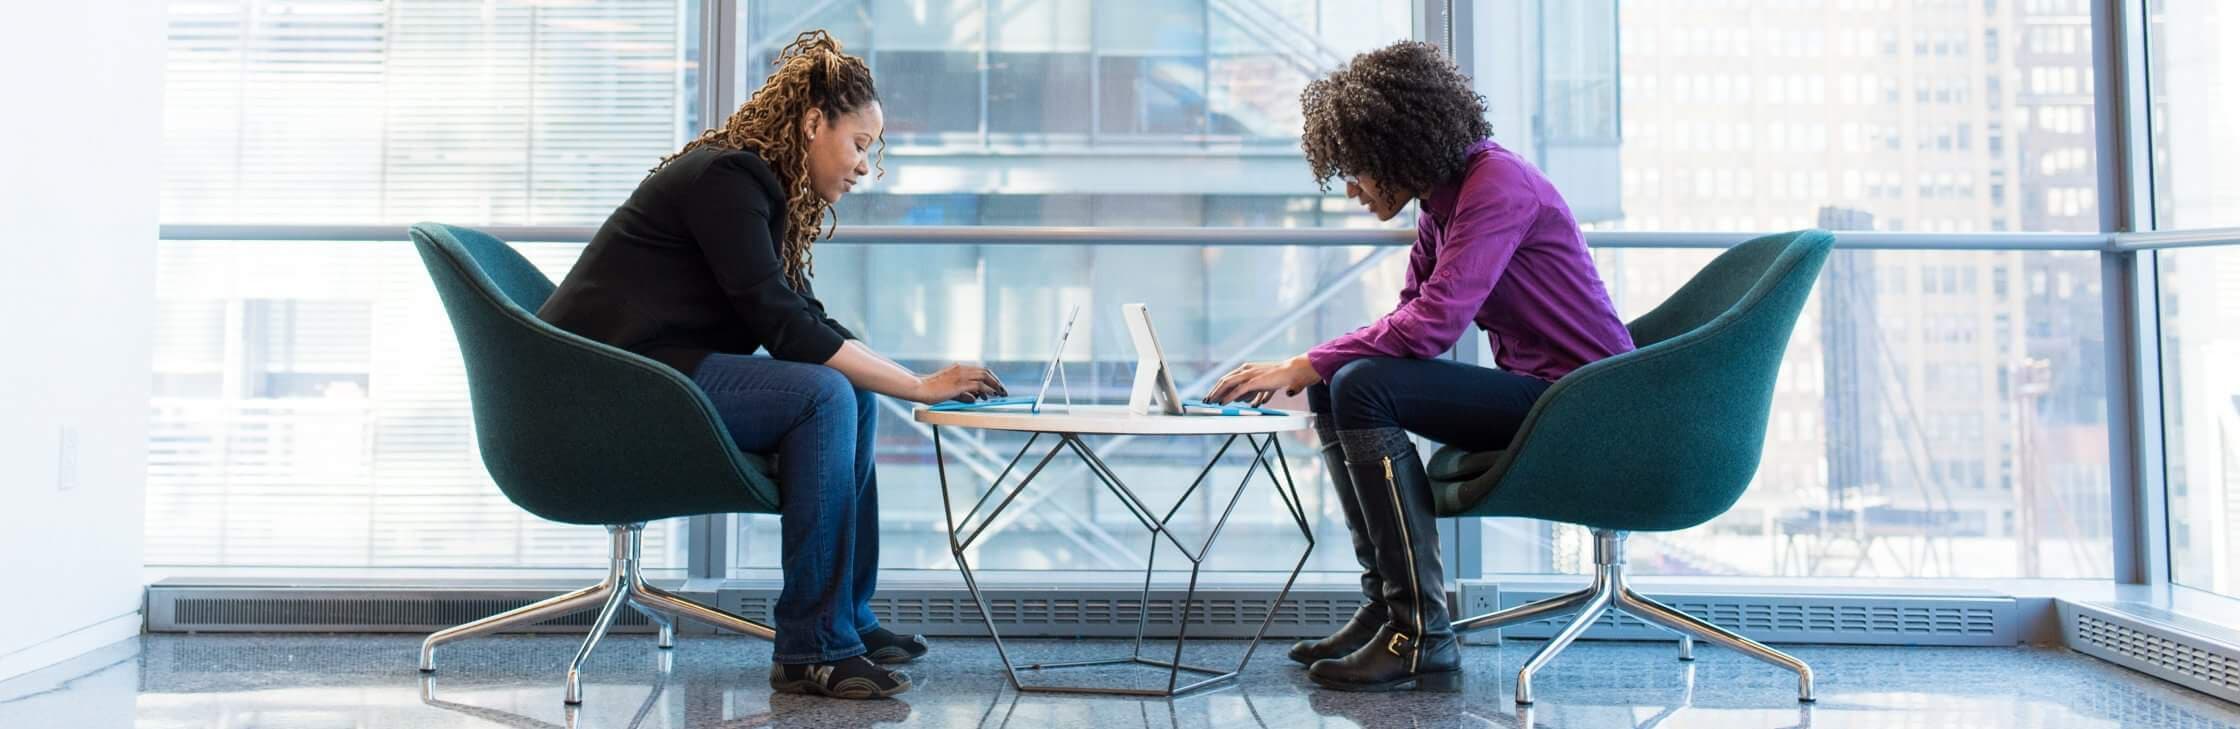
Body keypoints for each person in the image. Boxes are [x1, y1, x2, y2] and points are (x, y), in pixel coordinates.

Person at [539, 30, 1006, 700]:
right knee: (824, 394)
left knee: (847, 389)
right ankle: (812, 648)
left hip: (653, 371)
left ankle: (846, 619)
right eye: (860, 145)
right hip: (604, 384)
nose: (864, 167)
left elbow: (806, 321)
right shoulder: (729, 178)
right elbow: (784, 329)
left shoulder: (757, 187)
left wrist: (911, 380)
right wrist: (916, 387)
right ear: (814, 122)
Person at [1206, 40, 1636, 692]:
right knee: (1340, 383)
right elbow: (1410, 312)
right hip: (1545, 394)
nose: (1350, 189)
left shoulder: (1497, 187)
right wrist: (1311, 368)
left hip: (1586, 403)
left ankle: (1421, 633)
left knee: (1357, 380)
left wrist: (1302, 361)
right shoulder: (1445, 201)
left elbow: (1433, 325)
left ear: (1397, 149)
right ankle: (1388, 610)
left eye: (1356, 171)